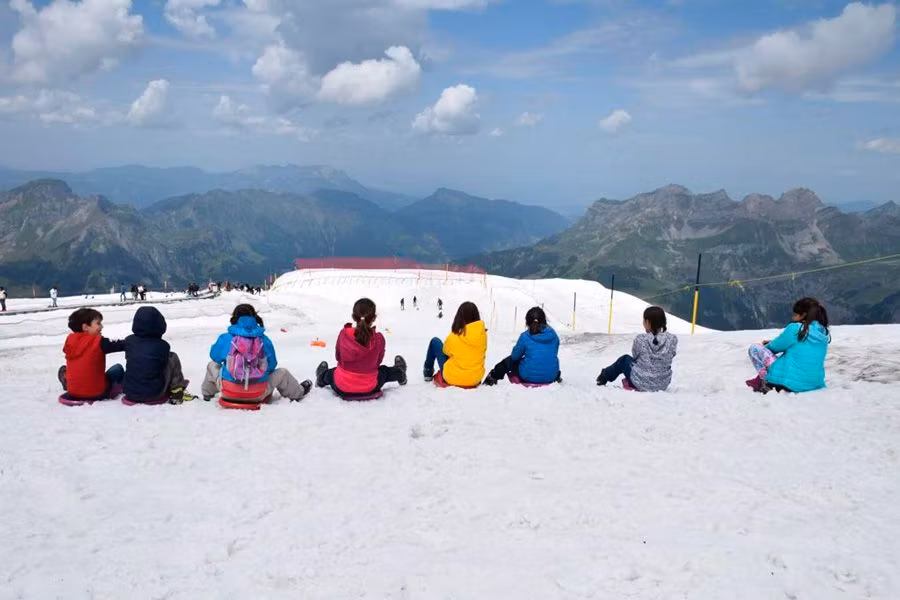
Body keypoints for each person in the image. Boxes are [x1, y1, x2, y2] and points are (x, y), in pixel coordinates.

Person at [202, 304, 311, 402]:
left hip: (228, 392)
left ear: (235, 318)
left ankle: (208, 394)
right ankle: (298, 393)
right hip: (258, 393)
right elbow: (272, 365)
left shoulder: (225, 338)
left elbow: (214, 356)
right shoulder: (264, 339)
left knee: (212, 365)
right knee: (282, 372)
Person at [315, 298, 407, 399]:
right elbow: (378, 362)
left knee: (331, 373)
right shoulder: (379, 338)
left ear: (353, 317)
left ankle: (320, 379)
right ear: (374, 318)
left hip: (342, 387)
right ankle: (400, 374)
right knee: (384, 371)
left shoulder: (344, 334)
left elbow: (338, 357)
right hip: (370, 387)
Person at [746, 297, 830, 393]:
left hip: (790, 385)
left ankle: (765, 381)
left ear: (803, 315)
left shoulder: (796, 328)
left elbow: (774, 347)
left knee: (755, 348)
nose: (793, 317)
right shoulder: (823, 333)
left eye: (795, 314)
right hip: (815, 384)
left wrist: (767, 345)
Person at [123, 306, 197, 404]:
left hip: (130, 393)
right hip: (155, 393)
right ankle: (176, 389)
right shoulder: (163, 346)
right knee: (172, 357)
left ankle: (136, 385)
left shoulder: (129, 341)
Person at [596, 306, 677, 392]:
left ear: (648, 322)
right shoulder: (672, 340)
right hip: (662, 384)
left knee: (624, 359)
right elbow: (671, 356)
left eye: (644, 321)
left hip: (640, 382)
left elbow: (635, 356)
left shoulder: (641, 339)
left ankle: (603, 377)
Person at [58, 308, 125, 401]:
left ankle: (68, 382)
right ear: (85, 327)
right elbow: (121, 345)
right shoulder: (99, 342)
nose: (102, 327)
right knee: (118, 368)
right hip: (98, 393)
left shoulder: (70, 340)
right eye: (98, 323)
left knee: (64, 369)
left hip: (73, 392)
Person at [483, 306, 560, 386]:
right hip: (551, 375)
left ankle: (492, 377)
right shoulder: (554, 336)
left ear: (527, 322)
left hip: (528, 376)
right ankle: (556, 377)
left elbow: (514, 357)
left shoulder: (525, 337)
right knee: (548, 359)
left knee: (509, 361)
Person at [423, 301, 487, 387]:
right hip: (476, 378)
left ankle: (428, 371)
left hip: (453, 377)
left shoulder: (455, 335)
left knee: (435, 342)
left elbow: (445, 351)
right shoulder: (482, 335)